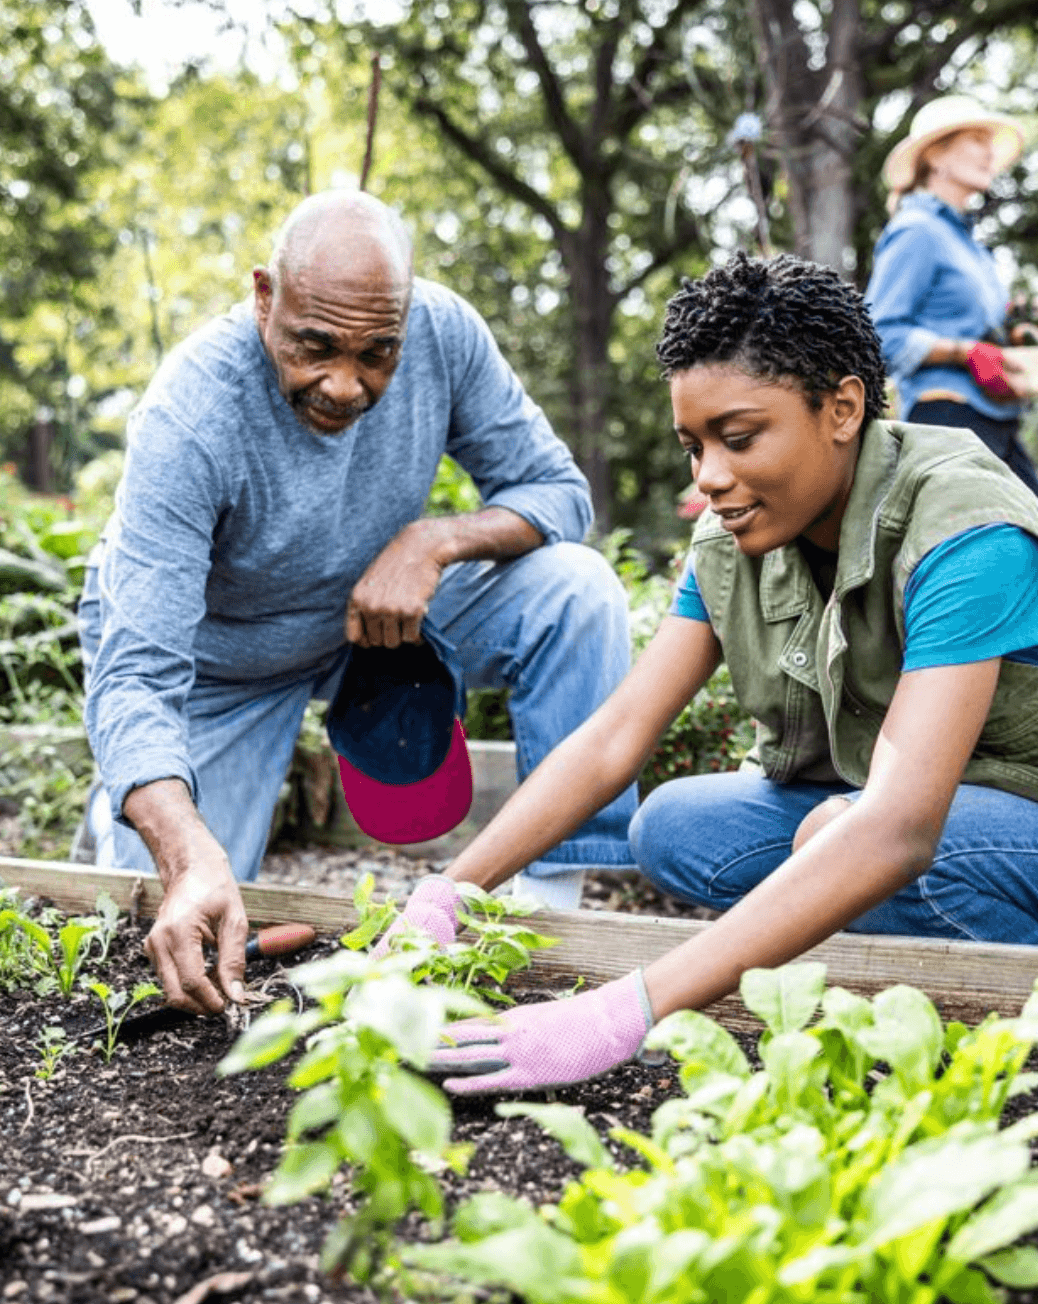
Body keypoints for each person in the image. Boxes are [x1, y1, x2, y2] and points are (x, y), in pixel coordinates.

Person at [378, 251, 1038, 1097]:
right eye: (694, 445)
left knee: (848, 841)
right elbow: (612, 741)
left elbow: (896, 830)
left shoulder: (966, 530)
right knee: (673, 827)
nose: (709, 476)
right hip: (975, 809)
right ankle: (900, 952)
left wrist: (623, 1010)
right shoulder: (735, 542)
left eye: (739, 438)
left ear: (843, 407)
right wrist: (450, 891)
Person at [78, 190, 638, 1014]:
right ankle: (119, 835)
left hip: (374, 622)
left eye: (379, 353)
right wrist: (186, 850)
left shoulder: (443, 333)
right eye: (316, 347)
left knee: (578, 590)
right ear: (265, 298)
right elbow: (134, 676)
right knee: (157, 935)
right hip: (221, 662)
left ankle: (552, 913)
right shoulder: (190, 415)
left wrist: (432, 541)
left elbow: (557, 491)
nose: (345, 384)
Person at [865, 94, 1038, 505]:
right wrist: (962, 352)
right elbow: (878, 335)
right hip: (946, 421)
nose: (989, 153)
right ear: (937, 157)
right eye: (976, 140)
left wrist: (1016, 329)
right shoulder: (916, 231)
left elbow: (983, 332)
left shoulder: (970, 246)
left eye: (990, 142)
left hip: (997, 420)